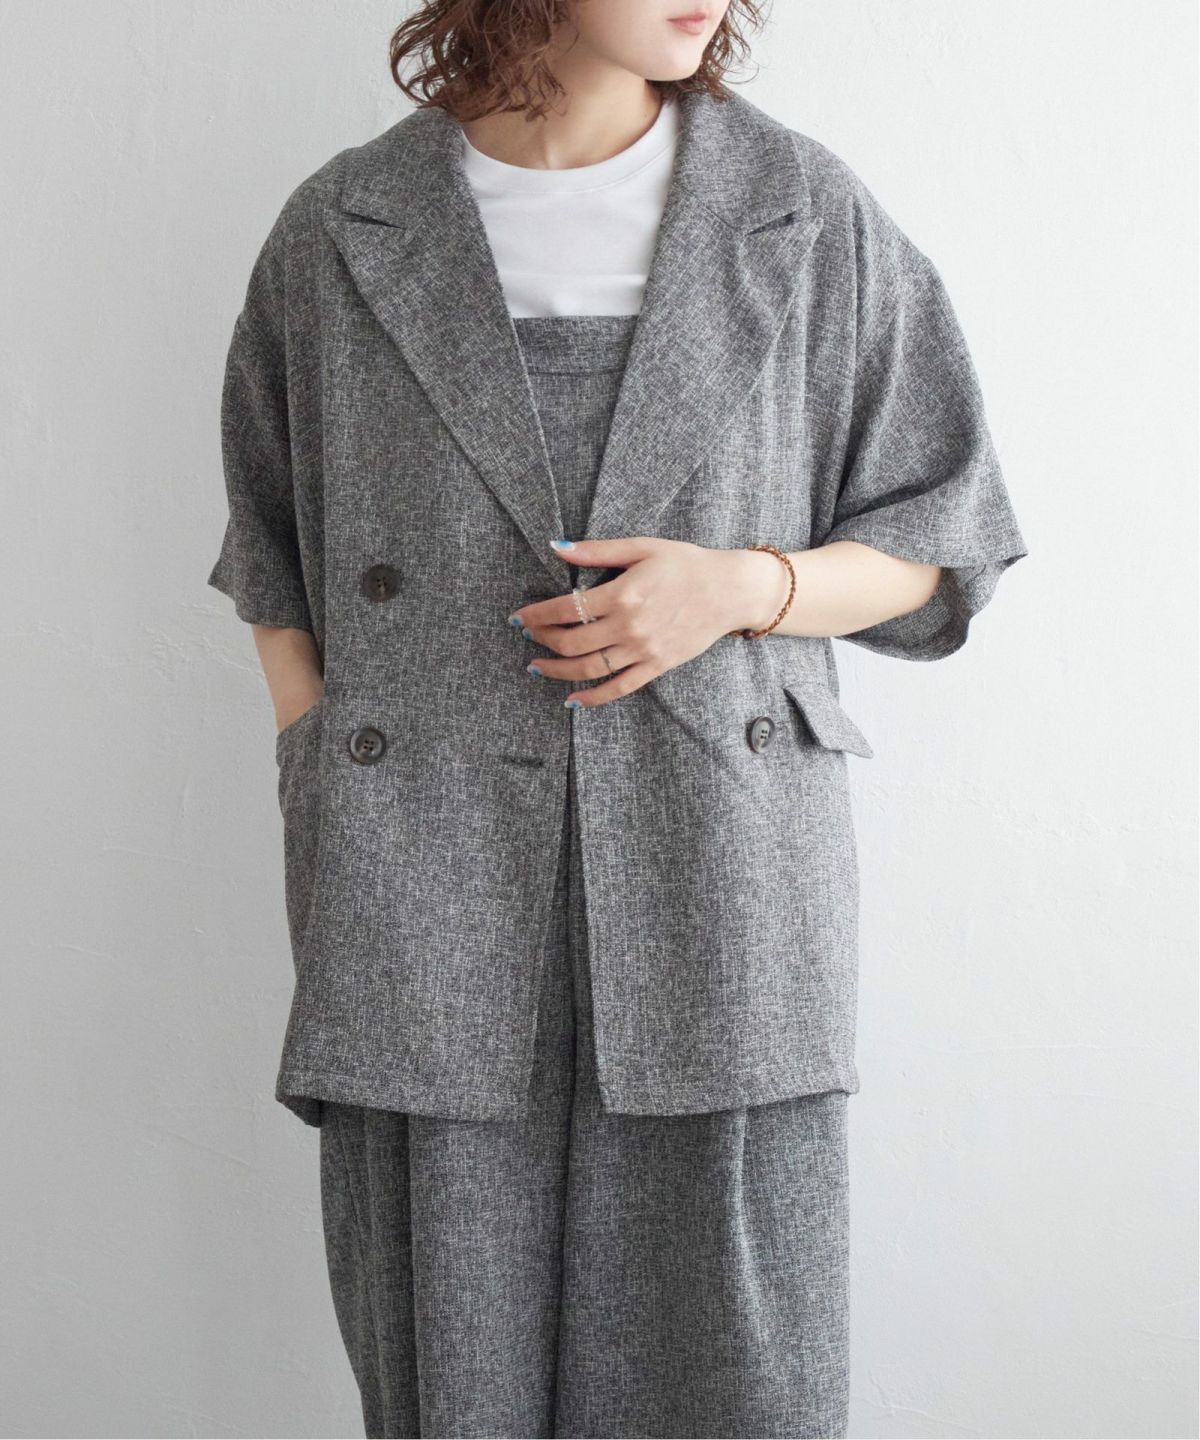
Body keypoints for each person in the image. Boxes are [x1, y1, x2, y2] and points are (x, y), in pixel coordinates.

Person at [206, 3, 1028, 1436]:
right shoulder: (346, 225)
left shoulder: (800, 211)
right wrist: (326, 769)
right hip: (423, 885)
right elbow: (272, 553)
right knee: (453, 1385)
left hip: (723, 875)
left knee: (740, 1384)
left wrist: (743, 588)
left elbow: (944, 539)